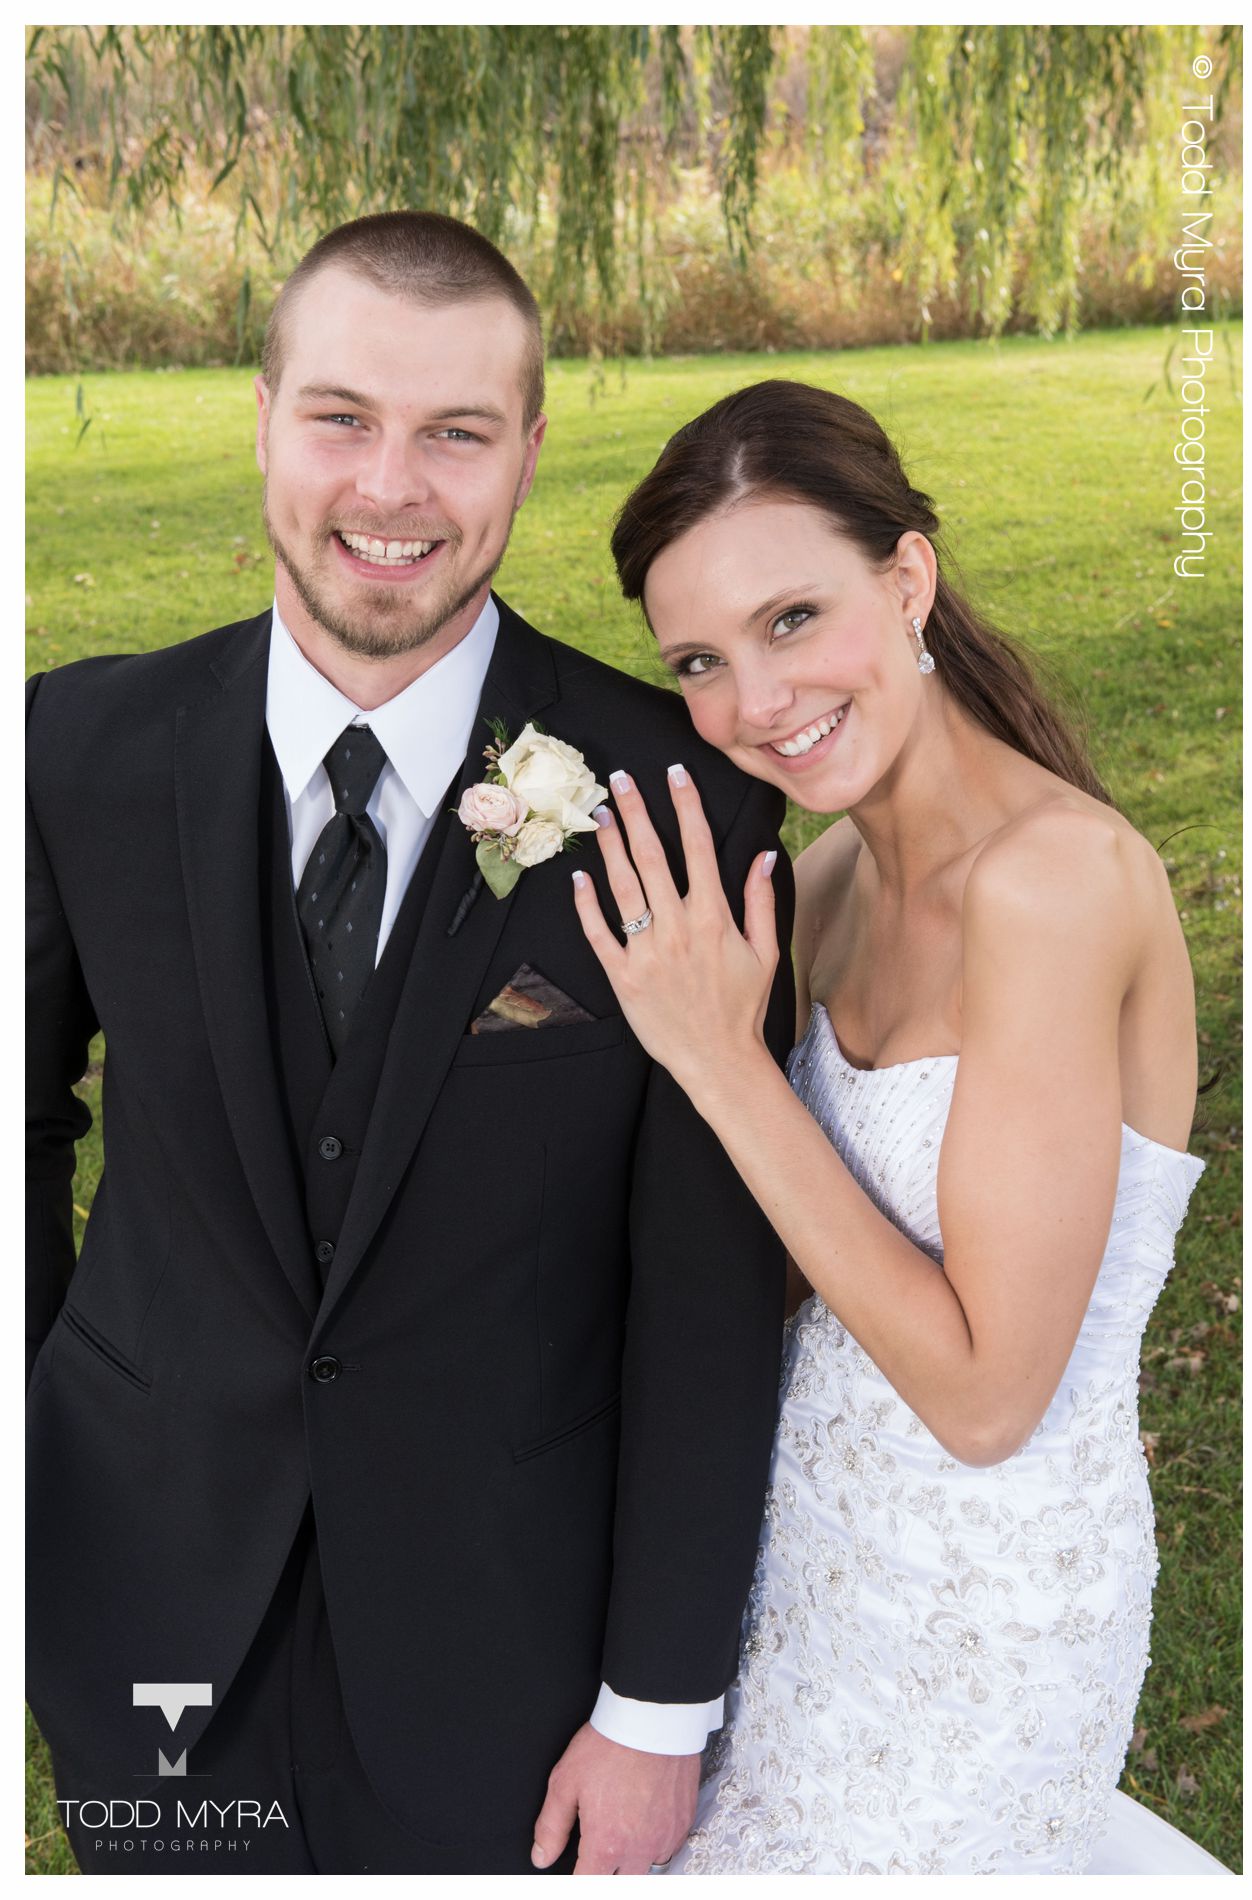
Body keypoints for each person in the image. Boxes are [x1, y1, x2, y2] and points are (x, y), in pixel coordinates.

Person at [25, 215, 797, 1875]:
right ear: (261, 416)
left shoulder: (683, 796)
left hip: (515, 1675)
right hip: (140, 1623)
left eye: (456, 432)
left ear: (527, 450)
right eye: (343, 418)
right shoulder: (71, 751)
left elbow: (711, 1286)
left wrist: (658, 1711)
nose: (393, 487)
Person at [570, 381, 1230, 1875]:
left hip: (972, 1627)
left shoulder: (1053, 886)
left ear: (910, 576)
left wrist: (722, 1064)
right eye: (699, 660)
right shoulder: (823, 894)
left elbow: (992, 1394)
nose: (753, 701)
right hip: (796, 1573)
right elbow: (786, 1257)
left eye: (793, 619)